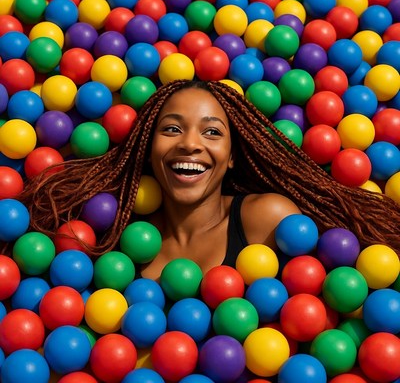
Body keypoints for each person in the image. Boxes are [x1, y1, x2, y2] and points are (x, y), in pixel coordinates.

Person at [8, 79, 400, 279]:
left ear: (231, 158)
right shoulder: (114, 238)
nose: (190, 145)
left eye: (212, 132)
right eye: (172, 130)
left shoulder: (268, 219)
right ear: (147, 148)